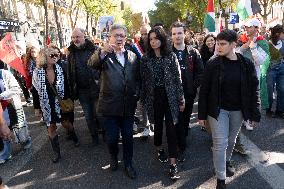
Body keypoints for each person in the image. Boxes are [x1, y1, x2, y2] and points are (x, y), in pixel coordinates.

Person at [198, 29, 260, 189]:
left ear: (234, 45)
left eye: (222, 44)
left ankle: (226, 161)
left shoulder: (246, 64)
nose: (218, 47)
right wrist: (202, 115)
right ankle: (221, 179)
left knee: (231, 141)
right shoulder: (212, 64)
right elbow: (204, 90)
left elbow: (254, 89)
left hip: (238, 110)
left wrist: (255, 113)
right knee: (220, 142)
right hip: (218, 111)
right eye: (217, 43)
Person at [88, 24, 139, 179]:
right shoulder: (104, 55)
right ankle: (113, 157)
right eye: (115, 35)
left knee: (129, 137)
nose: (119, 38)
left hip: (128, 106)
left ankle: (128, 163)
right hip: (109, 106)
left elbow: (137, 78)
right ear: (109, 37)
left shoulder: (132, 56)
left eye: (121, 36)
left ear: (125, 38)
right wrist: (102, 51)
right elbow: (91, 64)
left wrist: (136, 94)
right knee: (111, 138)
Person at [140, 26, 185, 180]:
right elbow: (143, 82)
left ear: (162, 39)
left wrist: (181, 98)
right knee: (158, 127)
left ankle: (173, 165)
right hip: (154, 97)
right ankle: (159, 147)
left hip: (170, 96)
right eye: (150, 39)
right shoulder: (145, 59)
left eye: (156, 38)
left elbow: (177, 80)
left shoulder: (171, 56)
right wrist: (144, 101)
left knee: (172, 129)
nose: (153, 41)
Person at [33, 47, 79, 163]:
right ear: (44, 57)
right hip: (47, 105)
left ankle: (74, 136)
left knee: (66, 123)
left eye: (56, 55)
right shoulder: (37, 72)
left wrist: (69, 99)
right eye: (52, 55)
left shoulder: (60, 68)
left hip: (61, 102)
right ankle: (57, 153)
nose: (55, 57)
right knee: (51, 127)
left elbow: (67, 86)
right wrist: (37, 108)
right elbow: (35, 91)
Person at [171, 21, 204, 161]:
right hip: (172, 94)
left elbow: (200, 72)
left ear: (185, 34)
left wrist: (192, 86)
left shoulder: (193, 52)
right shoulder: (168, 52)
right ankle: (178, 145)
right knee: (174, 119)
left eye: (179, 33)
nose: (177, 36)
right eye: (174, 33)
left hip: (188, 93)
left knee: (185, 119)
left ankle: (182, 137)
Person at [67, 28, 101, 145]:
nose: (75, 39)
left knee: (100, 113)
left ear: (84, 37)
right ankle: (94, 136)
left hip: (96, 88)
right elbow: (70, 72)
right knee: (88, 115)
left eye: (78, 37)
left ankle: (105, 133)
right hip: (82, 91)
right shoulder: (70, 54)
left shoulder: (95, 49)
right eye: (73, 37)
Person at [0, 60, 32, 151]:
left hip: (11, 104)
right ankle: (5, 152)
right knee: (3, 129)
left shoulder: (4, 73)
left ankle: (25, 140)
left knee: (18, 126)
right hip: (1, 108)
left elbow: (15, 88)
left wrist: (2, 96)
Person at [266, 25, 284, 118]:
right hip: (270, 69)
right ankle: (268, 109)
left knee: (282, 89)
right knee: (270, 90)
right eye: (282, 33)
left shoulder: (283, 43)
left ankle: (280, 110)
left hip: (281, 68)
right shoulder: (268, 44)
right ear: (277, 34)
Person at [25, 46, 41, 118]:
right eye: (31, 52)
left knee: (43, 98)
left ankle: (44, 114)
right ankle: (40, 113)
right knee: (36, 97)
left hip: (42, 81)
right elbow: (27, 75)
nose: (33, 53)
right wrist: (29, 85)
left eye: (34, 51)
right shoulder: (28, 62)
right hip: (33, 83)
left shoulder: (41, 60)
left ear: (38, 52)